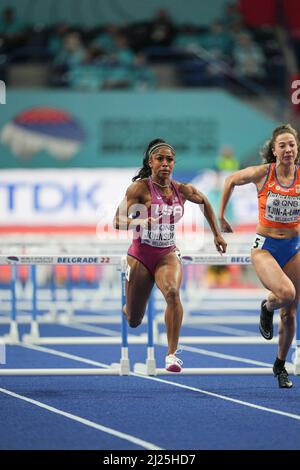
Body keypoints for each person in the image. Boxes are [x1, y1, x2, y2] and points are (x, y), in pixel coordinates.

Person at [113, 138, 227, 372]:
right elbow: (117, 221)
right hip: (140, 256)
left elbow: (204, 201)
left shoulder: (181, 190)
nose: (165, 163)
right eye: (160, 159)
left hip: (167, 254)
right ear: (150, 162)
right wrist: (141, 220)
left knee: (173, 293)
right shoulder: (139, 189)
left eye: (170, 159)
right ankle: (127, 306)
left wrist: (216, 234)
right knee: (134, 319)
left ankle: (171, 355)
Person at [219, 124, 300, 388]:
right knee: (286, 294)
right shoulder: (263, 174)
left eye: (292, 144)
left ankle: (280, 365)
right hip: (265, 247)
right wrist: (221, 216)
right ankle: (266, 307)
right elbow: (230, 180)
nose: (288, 149)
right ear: (274, 151)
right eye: (283, 145)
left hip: (293, 247)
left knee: (290, 313)